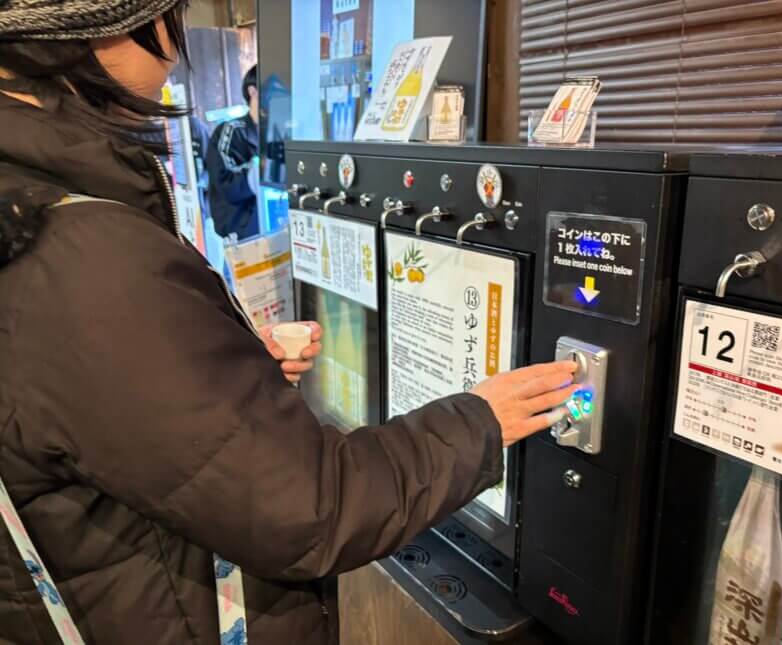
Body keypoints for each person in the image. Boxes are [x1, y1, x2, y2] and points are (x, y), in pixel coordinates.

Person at [0, 3, 577, 644]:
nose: (173, 47)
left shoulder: (29, 207)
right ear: (91, 24)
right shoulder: (82, 253)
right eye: (169, 16)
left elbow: (87, 412)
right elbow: (309, 510)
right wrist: (481, 422)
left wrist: (214, 381)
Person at [207, 64, 260, 240]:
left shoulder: (277, 133)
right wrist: (264, 167)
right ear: (252, 91)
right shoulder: (231, 131)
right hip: (241, 237)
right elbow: (226, 183)